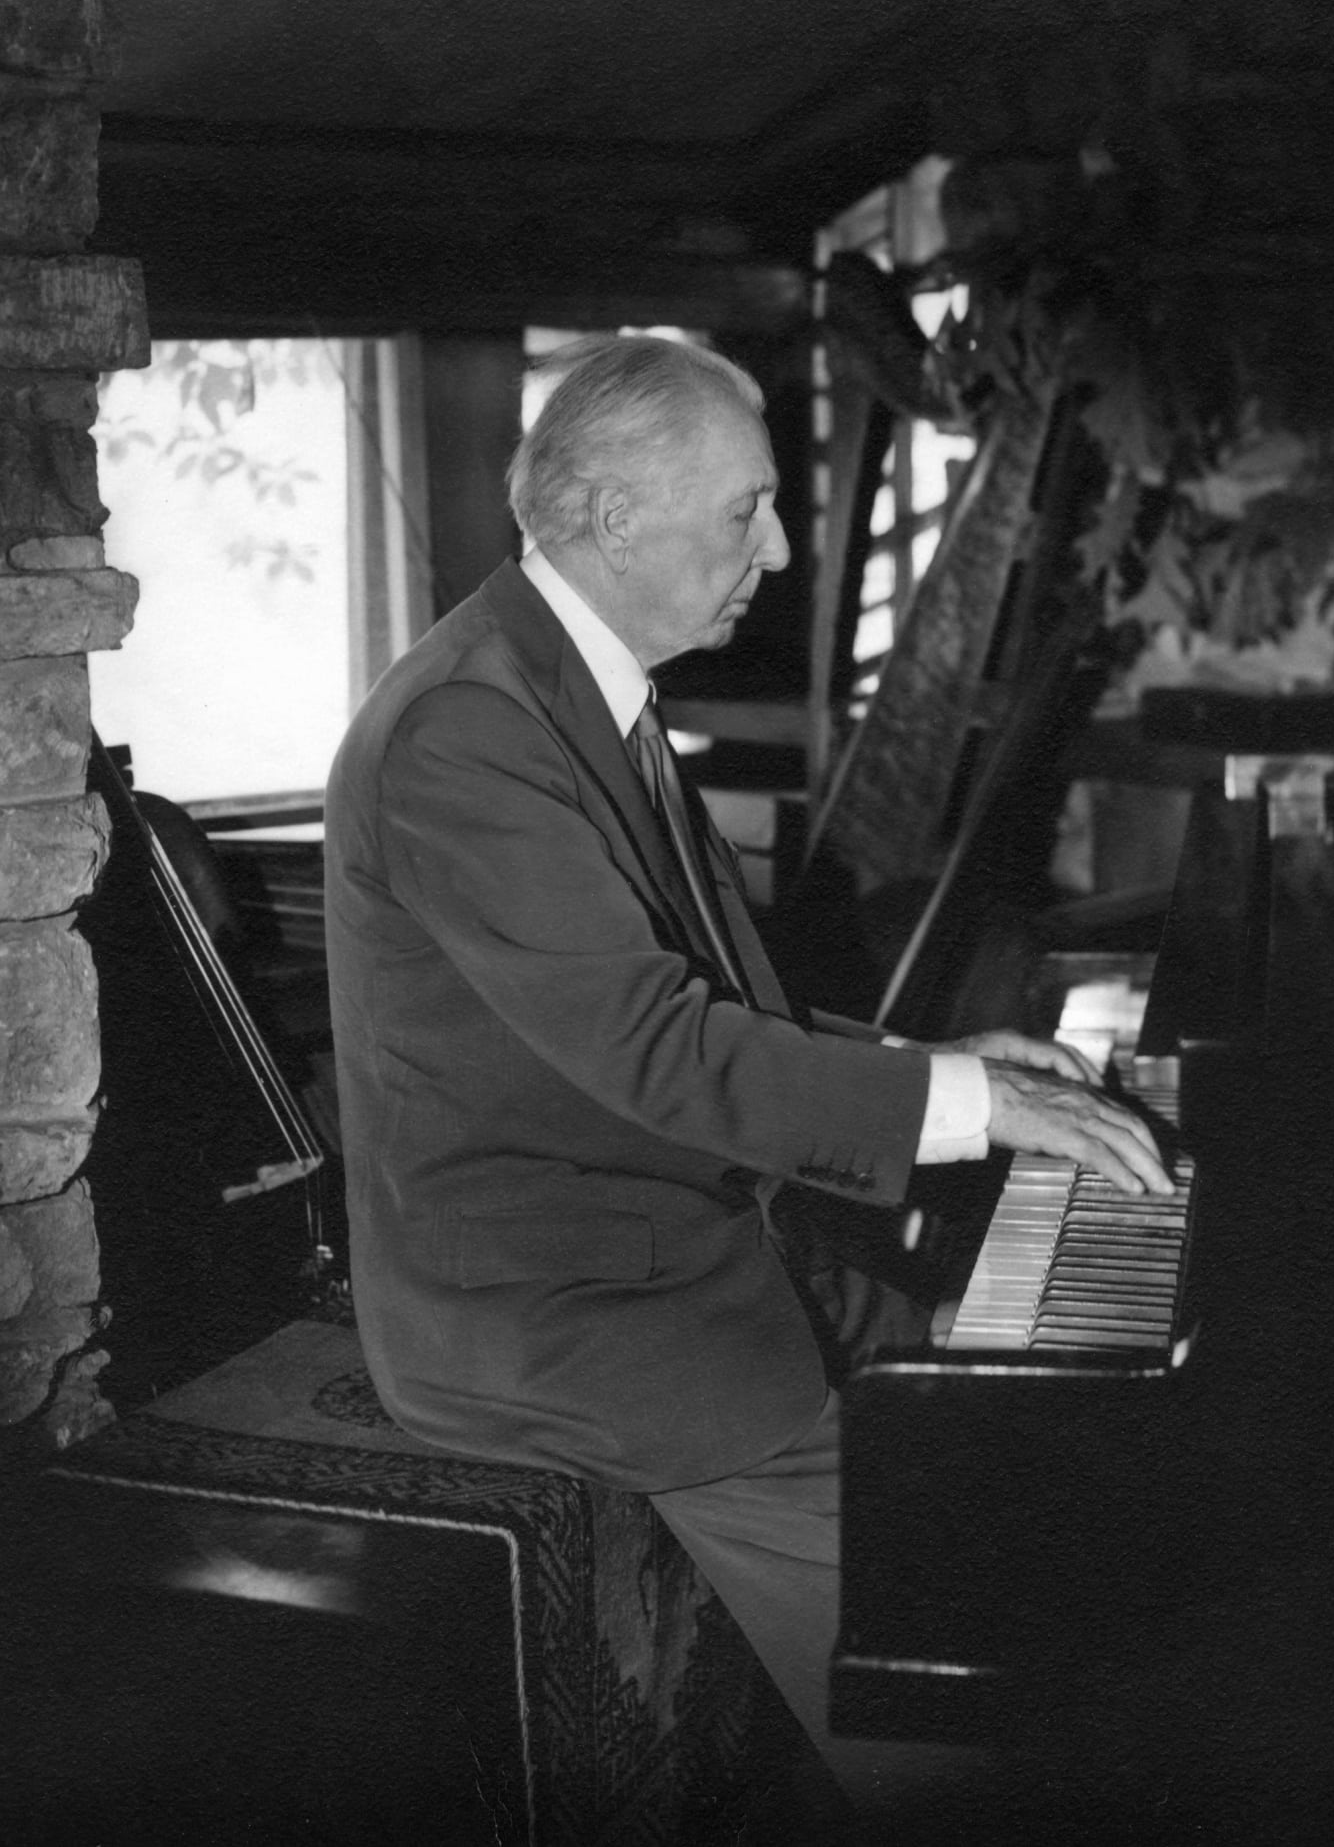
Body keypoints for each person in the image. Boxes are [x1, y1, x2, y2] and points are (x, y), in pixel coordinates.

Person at [323, 334, 1171, 1826]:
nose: (778, 551)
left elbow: (708, 1012)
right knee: (973, 1637)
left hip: (696, 1240)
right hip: (559, 1312)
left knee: (1032, 1435)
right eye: (749, 512)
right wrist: (966, 1110)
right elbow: (659, 1043)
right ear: (611, 518)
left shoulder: (577, 685)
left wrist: (943, 1062)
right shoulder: (469, 729)